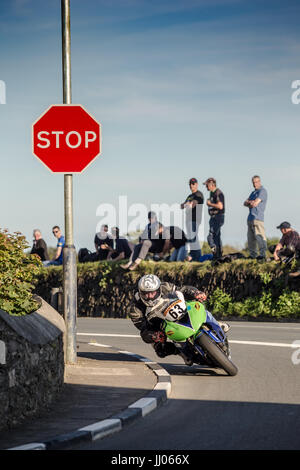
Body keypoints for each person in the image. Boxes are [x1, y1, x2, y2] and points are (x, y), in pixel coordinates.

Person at [129, 274, 230, 365]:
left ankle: (215, 323)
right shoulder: (135, 308)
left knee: (197, 304)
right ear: (140, 292)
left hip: (176, 309)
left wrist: (196, 293)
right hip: (158, 323)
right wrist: (153, 335)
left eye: (152, 293)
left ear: (158, 289)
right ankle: (182, 353)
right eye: (146, 294)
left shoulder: (165, 287)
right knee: (160, 350)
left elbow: (182, 290)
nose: (150, 297)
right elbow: (143, 328)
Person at [244, 175, 268, 260]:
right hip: (250, 218)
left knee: (260, 237)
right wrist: (250, 202)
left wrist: (250, 202)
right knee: (250, 239)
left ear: (259, 181)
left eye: (256, 182)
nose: (255, 184)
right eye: (253, 182)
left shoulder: (262, 191)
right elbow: (244, 203)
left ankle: (262, 255)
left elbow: (255, 203)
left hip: (258, 218)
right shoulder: (253, 192)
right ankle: (253, 255)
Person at [180, 178, 204, 261]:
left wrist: (187, 204)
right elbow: (181, 206)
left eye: (193, 184)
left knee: (193, 238)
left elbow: (192, 205)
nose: (191, 185)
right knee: (190, 238)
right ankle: (194, 256)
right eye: (190, 184)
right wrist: (187, 204)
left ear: (197, 184)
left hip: (195, 219)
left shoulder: (199, 194)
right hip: (188, 220)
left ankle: (197, 257)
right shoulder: (190, 196)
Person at [203, 177, 225, 260]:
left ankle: (217, 253)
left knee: (212, 237)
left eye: (207, 185)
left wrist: (210, 204)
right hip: (213, 217)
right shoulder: (212, 193)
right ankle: (217, 254)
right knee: (215, 236)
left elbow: (220, 206)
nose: (206, 187)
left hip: (218, 217)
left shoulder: (218, 193)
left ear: (212, 185)